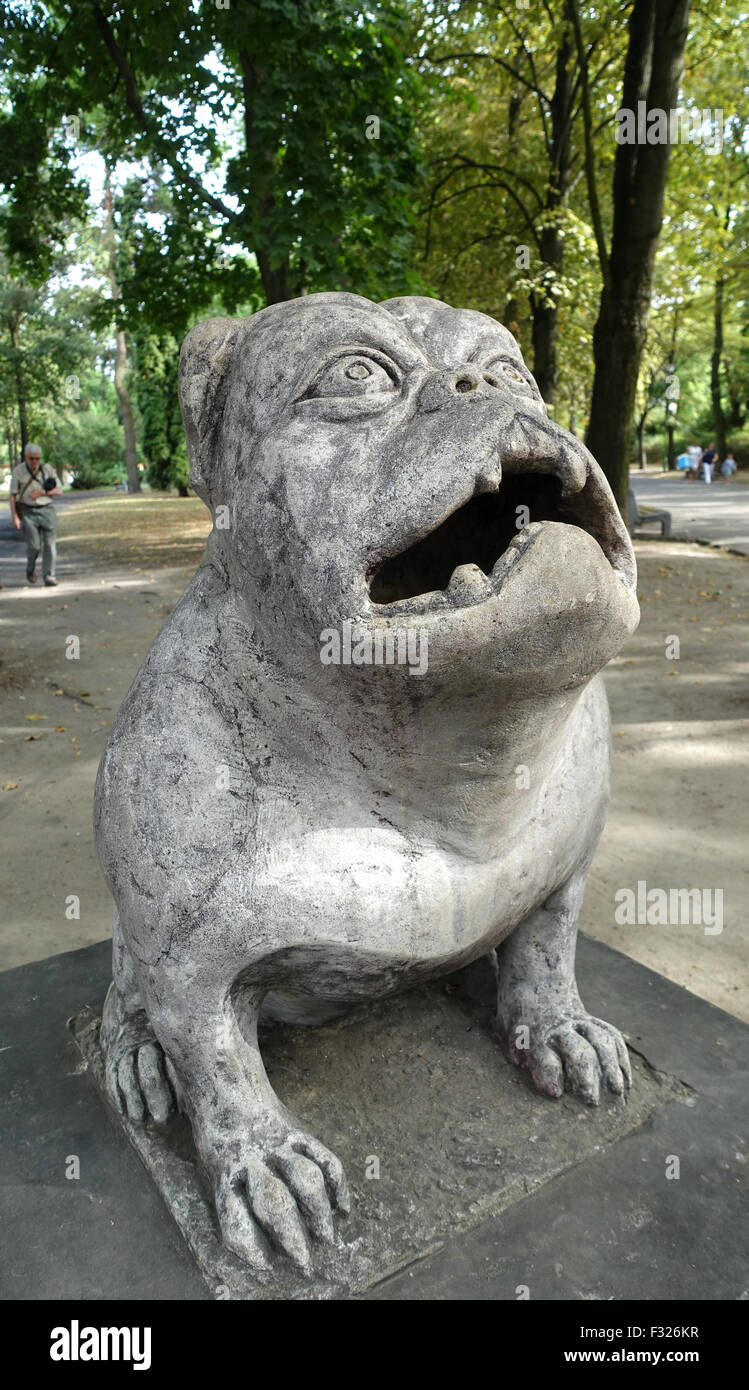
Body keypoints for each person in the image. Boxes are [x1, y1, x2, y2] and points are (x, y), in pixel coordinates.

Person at [9, 442, 62, 586]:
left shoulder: (47, 469)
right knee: (34, 546)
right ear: (25, 457)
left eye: (37, 458)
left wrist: (42, 492)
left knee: (50, 545)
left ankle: (49, 576)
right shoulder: (18, 471)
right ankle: (30, 568)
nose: (34, 461)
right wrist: (14, 516)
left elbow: (59, 490)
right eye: (31, 458)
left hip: (47, 510)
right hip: (28, 512)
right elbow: (13, 495)